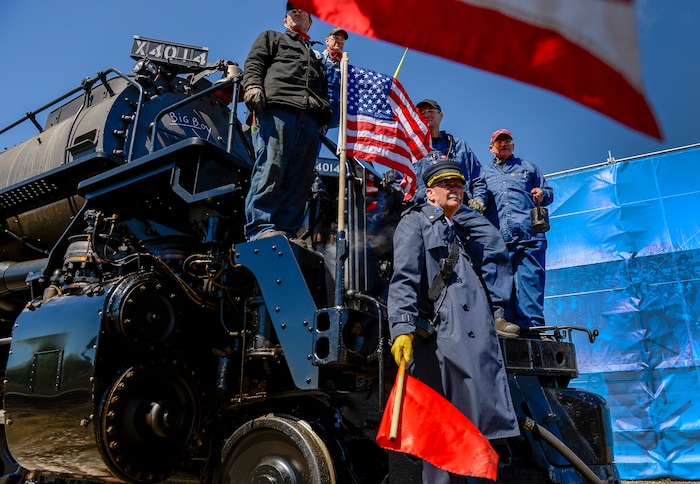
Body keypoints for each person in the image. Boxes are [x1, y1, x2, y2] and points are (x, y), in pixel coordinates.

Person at [388, 160, 520, 483]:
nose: (456, 189)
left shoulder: (461, 232)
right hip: (443, 348)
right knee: (443, 450)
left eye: (459, 185)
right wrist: (402, 329)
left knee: (473, 445)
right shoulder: (415, 222)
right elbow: (404, 278)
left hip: (473, 350)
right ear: (429, 193)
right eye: (447, 185)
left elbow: (494, 244)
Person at [413, 99, 519, 338]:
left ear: (441, 116)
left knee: (492, 240)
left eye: (431, 111)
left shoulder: (458, 146)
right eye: (421, 112)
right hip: (423, 208)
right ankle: (421, 311)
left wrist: (478, 199)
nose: (426, 115)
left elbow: (478, 180)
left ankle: (498, 314)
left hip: (460, 208)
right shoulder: (409, 146)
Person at [241, 3, 332, 241]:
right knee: (272, 165)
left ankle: (287, 230)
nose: (297, 12)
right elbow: (254, 63)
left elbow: (324, 88)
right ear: (285, 21)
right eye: (292, 10)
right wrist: (252, 87)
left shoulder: (316, 57)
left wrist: (324, 116)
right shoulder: (271, 37)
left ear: (311, 22)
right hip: (277, 109)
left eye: (303, 9)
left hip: (310, 118)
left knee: (300, 177)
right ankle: (260, 227)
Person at [482, 128, 554, 329]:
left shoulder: (528, 168)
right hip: (498, 241)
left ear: (513, 145)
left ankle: (534, 329)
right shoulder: (483, 174)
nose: (503, 144)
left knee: (531, 284)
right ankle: (507, 328)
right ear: (491, 148)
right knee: (501, 286)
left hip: (529, 237)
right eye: (499, 142)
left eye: (507, 141)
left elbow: (548, 193)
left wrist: (542, 194)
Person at [319, 27, 348, 130]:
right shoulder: (319, 58)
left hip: (333, 115)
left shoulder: (345, 67)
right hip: (317, 109)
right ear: (327, 41)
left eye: (342, 39)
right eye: (336, 37)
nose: (339, 41)